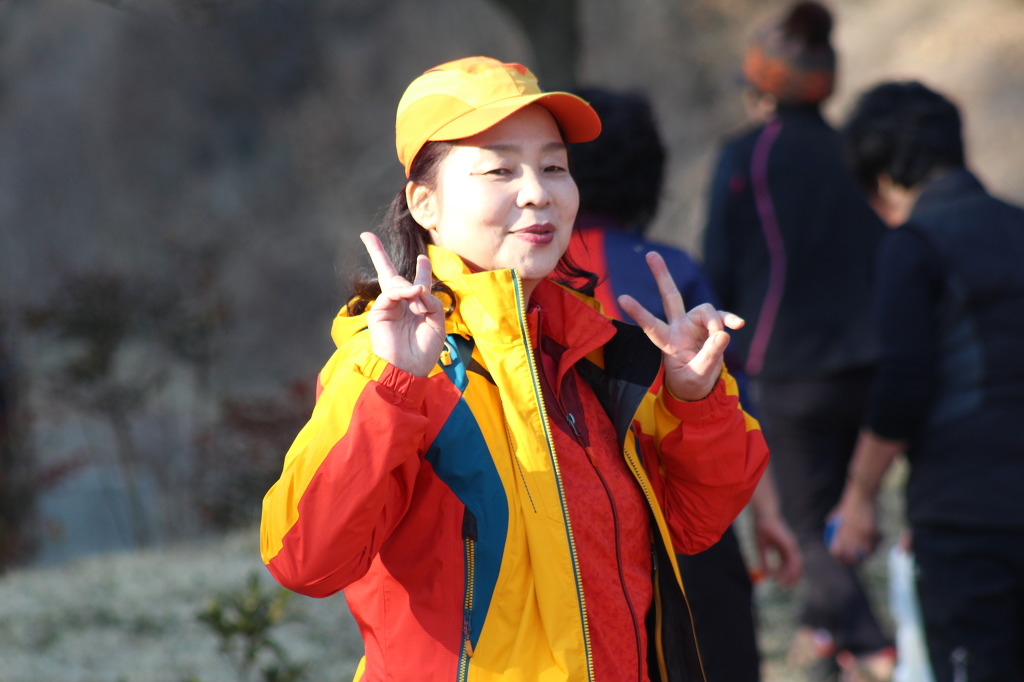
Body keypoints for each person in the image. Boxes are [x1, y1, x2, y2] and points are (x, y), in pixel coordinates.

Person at [260, 56, 770, 682]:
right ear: (425, 203)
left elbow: (696, 523)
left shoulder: (595, 354)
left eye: (554, 167)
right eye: (500, 169)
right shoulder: (392, 364)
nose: (537, 192)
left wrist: (693, 397)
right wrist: (393, 390)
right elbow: (305, 559)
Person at [566, 86, 801, 681]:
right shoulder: (667, 269)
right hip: (687, 524)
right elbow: (728, 391)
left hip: (574, 536)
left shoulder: (523, 279)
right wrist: (767, 513)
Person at [700, 2, 892, 679]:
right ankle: (825, 632)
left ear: (763, 90)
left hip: (787, 368)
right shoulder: (856, 152)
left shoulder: (746, 155)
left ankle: (873, 646)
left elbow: (718, 268)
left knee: (806, 523)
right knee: (850, 506)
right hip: (870, 362)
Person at [829, 80, 1024, 682]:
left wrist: (860, 494)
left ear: (886, 179)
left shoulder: (912, 246)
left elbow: (903, 386)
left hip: (968, 518)